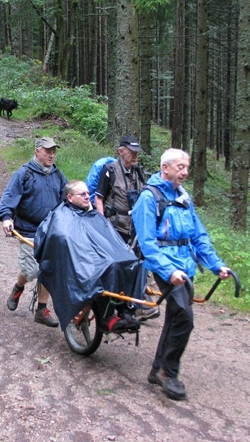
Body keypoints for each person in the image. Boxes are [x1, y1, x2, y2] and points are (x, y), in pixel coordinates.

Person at [132, 148, 231, 401]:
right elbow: (147, 242)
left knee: (176, 318)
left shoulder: (184, 197)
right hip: (167, 267)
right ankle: (168, 373)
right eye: (180, 167)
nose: (185, 172)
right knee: (184, 319)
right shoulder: (149, 197)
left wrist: (216, 265)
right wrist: (168, 270)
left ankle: (158, 370)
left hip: (185, 268)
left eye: (187, 167)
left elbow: (198, 236)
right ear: (165, 168)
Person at [34, 180, 141, 332]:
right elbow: (64, 240)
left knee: (131, 262)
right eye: (82, 194)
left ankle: (125, 310)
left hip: (97, 257)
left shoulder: (92, 215)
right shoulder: (62, 217)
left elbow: (108, 238)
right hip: (82, 263)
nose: (87, 197)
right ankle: (106, 317)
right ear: (70, 198)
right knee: (109, 267)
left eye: (88, 194)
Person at [0, 137, 67, 327]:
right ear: (37, 151)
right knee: (32, 270)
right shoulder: (24, 174)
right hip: (28, 230)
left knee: (48, 269)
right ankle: (19, 286)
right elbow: (8, 198)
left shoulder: (58, 175)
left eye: (53, 151)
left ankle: (41, 310)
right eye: (47, 151)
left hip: (51, 231)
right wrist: (6, 217)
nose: (51, 154)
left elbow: (66, 201)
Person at [94, 135, 159, 321]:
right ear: (121, 151)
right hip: (115, 227)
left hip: (135, 228)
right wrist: (102, 223)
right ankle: (113, 303)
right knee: (119, 265)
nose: (135, 156)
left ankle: (135, 304)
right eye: (131, 152)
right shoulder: (110, 170)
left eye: (136, 153)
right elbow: (99, 197)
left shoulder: (138, 171)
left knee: (138, 264)